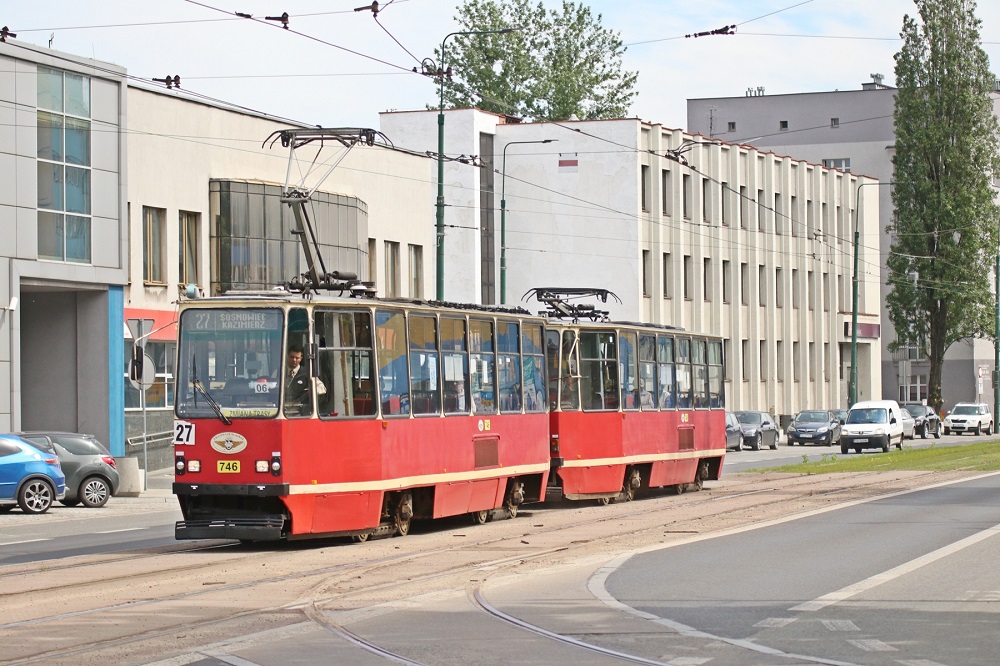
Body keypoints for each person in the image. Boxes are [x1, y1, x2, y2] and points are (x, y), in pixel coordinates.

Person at [284, 344, 311, 412]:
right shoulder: (278, 372)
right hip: (282, 409)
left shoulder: (308, 373)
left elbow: (322, 388)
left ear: (301, 358)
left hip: (300, 412)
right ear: (287, 357)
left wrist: (309, 391)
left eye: (297, 358)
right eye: (292, 357)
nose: (294, 360)